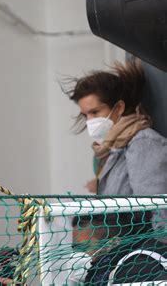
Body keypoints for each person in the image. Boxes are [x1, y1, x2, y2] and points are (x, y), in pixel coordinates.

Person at [62, 59, 167, 196]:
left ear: (119, 108)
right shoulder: (109, 149)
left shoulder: (143, 142)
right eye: (85, 115)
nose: (89, 121)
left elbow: (156, 210)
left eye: (95, 112)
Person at [72, 212, 167, 284]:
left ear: (112, 243)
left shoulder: (136, 268)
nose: (81, 254)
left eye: (84, 247)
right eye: (75, 248)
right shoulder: (147, 248)